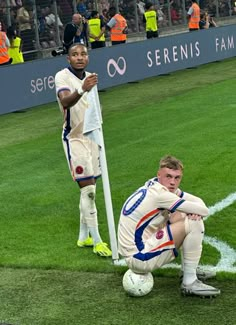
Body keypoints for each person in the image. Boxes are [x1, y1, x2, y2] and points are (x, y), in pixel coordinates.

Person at [118, 155, 220, 297]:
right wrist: (193, 212)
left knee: (183, 216)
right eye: (168, 176)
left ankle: (188, 270)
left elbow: (198, 201)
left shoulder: (156, 186)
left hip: (136, 251)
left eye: (177, 178)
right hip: (139, 258)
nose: (172, 182)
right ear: (159, 175)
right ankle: (189, 281)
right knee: (193, 223)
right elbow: (204, 211)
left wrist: (192, 211)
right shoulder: (161, 196)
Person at [54, 43, 112, 258]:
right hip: (74, 139)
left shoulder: (91, 77)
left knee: (90, 191)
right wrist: (82, 88)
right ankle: (97, 241)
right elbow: (66, 102)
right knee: (87, 190)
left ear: (88, 57)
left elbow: (94, 109)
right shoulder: (62, 76)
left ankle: (83, 236)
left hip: (91, 139)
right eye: (75, 55)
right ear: (68, 59)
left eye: (83, 54)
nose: (79, 57)